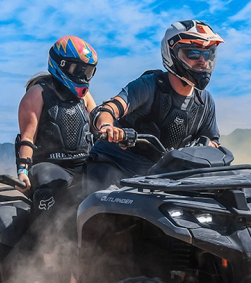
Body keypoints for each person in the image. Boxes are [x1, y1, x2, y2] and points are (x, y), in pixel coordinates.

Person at [90, 19, 224, 180]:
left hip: (159, 177)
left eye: (207, 54)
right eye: (193, 53)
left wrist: (209, 146)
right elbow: (108, 109)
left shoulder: (205, 101)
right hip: (117, 165)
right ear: (172, 54)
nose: (202, 61)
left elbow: (213, 143)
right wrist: (107, 126)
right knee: (102, 197)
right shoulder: (149, 85)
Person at [15, 35, 98, 214]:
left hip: (83, 164)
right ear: (61, 65)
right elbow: (27, 137)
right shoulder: (37, 93)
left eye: (88, 71)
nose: (83, 76)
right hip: (49, 165)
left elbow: (100, 123)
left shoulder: (85, 97)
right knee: (50, 191)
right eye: (79, 70)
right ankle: (40, 241)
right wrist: (23, 170)